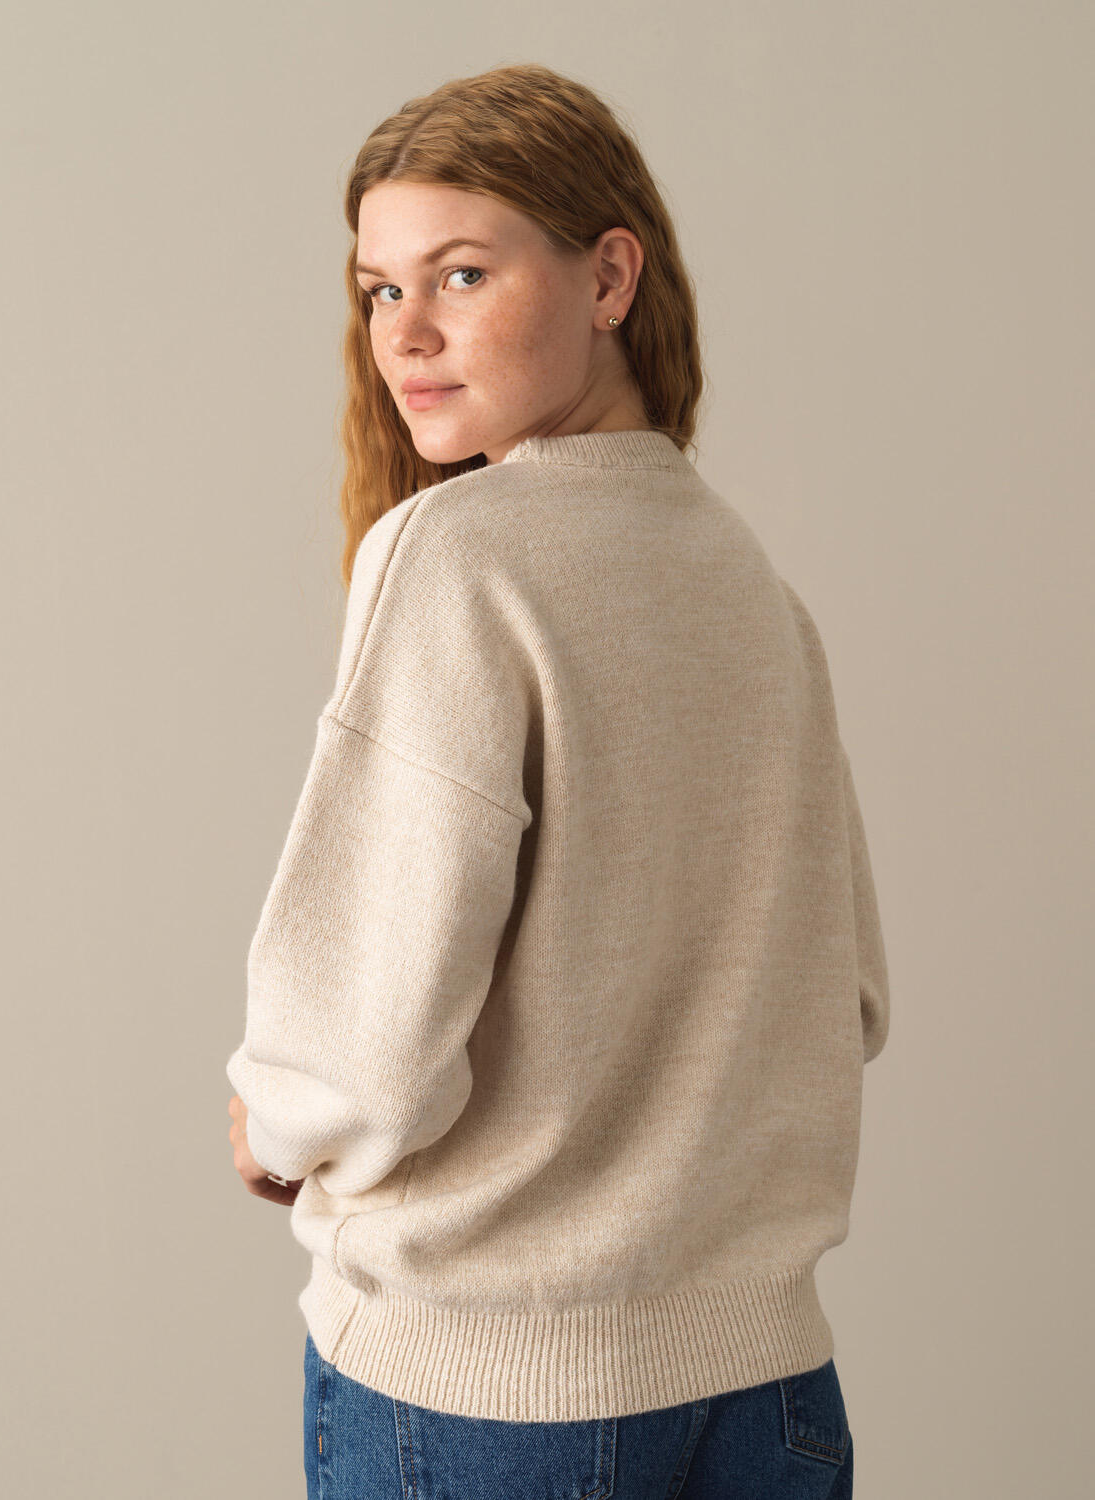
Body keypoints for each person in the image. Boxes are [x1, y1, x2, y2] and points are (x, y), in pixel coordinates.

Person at [225, 61, 887, 1500]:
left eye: (460, 274)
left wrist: (281, 1119)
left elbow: (363, 1044)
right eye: (379, 289)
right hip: (766, 1387)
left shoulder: (455, 557)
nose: (405, 332)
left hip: (493, 1395)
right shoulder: (748, 582)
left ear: (609, 278)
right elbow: (846, 996)